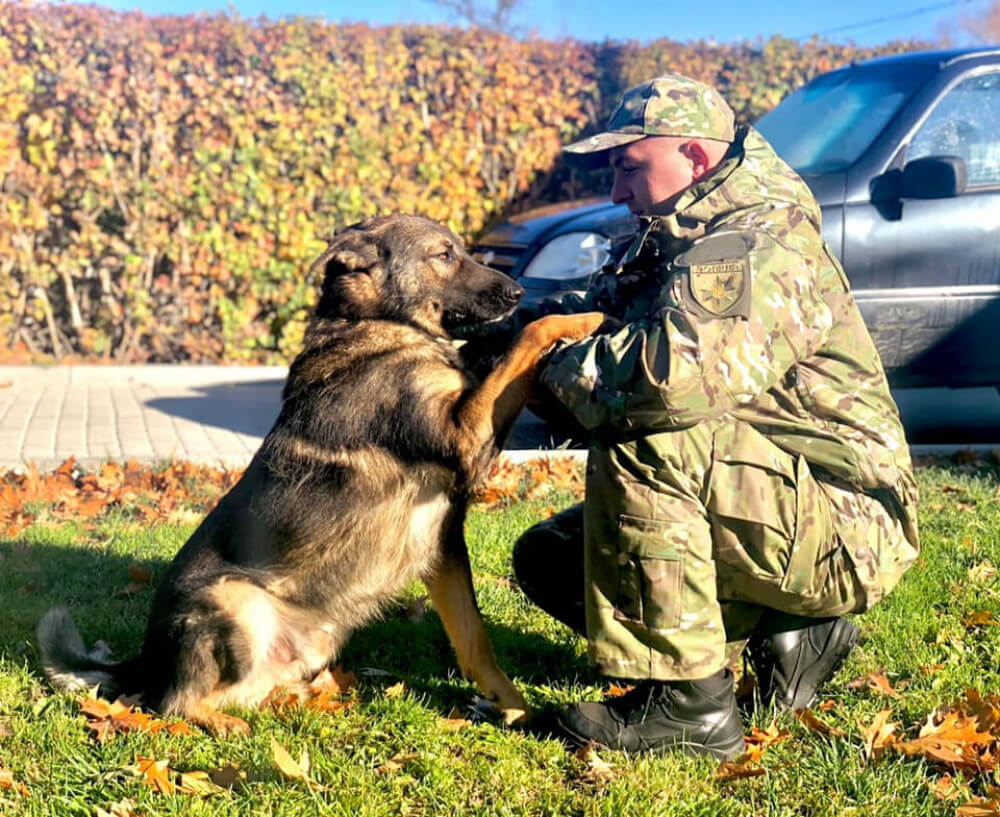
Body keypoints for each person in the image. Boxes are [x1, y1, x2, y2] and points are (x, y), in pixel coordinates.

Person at [512, 74, 920, 759]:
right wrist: (512, 329)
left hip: (850, 522)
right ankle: (794, 628)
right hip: (792, 506)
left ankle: (691, 709)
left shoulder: (761, 242)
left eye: (628, 168)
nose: (616, 191)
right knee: (556, 560)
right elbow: (603, 306)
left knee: (647, 427)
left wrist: (538, 361)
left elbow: (668, 382)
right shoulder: (684, 233)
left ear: (696, 159)